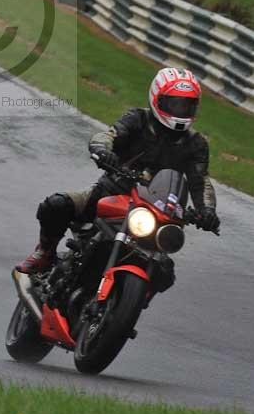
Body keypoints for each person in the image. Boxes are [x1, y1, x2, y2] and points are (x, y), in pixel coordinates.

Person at [16, 67, 220, 284]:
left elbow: (201, 181)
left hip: (157, 212)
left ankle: (126, 304)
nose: (180, 110)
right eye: (175, 103)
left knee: (164, 273)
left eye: (186, 105)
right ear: (157, 98)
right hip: (112, 192)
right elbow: (108, 136)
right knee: (56, 205)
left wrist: (207, 211)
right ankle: (44, 254)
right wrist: (103, 150)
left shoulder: (196, 144)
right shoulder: (137, 119)